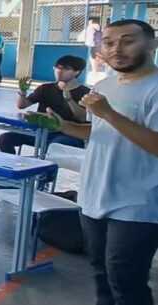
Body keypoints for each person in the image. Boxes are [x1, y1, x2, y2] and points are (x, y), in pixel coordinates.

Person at [44, 19, 158, 305]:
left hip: (138, 203)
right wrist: (64, 126)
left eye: (128, 40)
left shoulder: (154, 89)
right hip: (95, 194)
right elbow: (100, 131)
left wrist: (107, 113)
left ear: (152, 45)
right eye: (108, 42)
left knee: (125, 280)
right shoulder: (105, 84)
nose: (117, 48)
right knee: (100, 272)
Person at [0, 55, 89, 155]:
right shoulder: (45, 88)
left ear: (77, 72)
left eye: (66, 69)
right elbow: (22, 105)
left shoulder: (85, 92)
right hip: (41, 131)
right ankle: (11, 166)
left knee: (54, 147)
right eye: (58, 67)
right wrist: (23, 91)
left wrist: (69, 99)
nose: (60, 71)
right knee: (5, 138)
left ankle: (45, 169)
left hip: (67, 134)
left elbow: (82, 118)